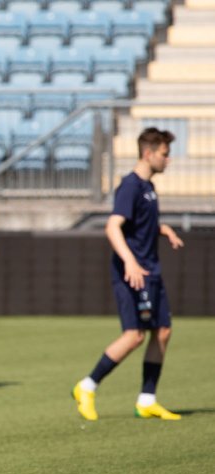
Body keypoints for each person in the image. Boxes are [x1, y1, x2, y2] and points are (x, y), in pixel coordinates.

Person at [73, 128, 185, 421]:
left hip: (151, 270)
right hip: (134, 273)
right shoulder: (130, 186)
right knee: (134, 335)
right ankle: (87, 386)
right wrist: (130, 263)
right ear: (148, 153)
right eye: (164, 154)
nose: (168, 160)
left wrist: (163, 229)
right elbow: (113, 227)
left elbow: (140, 223)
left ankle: (147, 399)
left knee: (163, 330)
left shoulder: (148, 187)